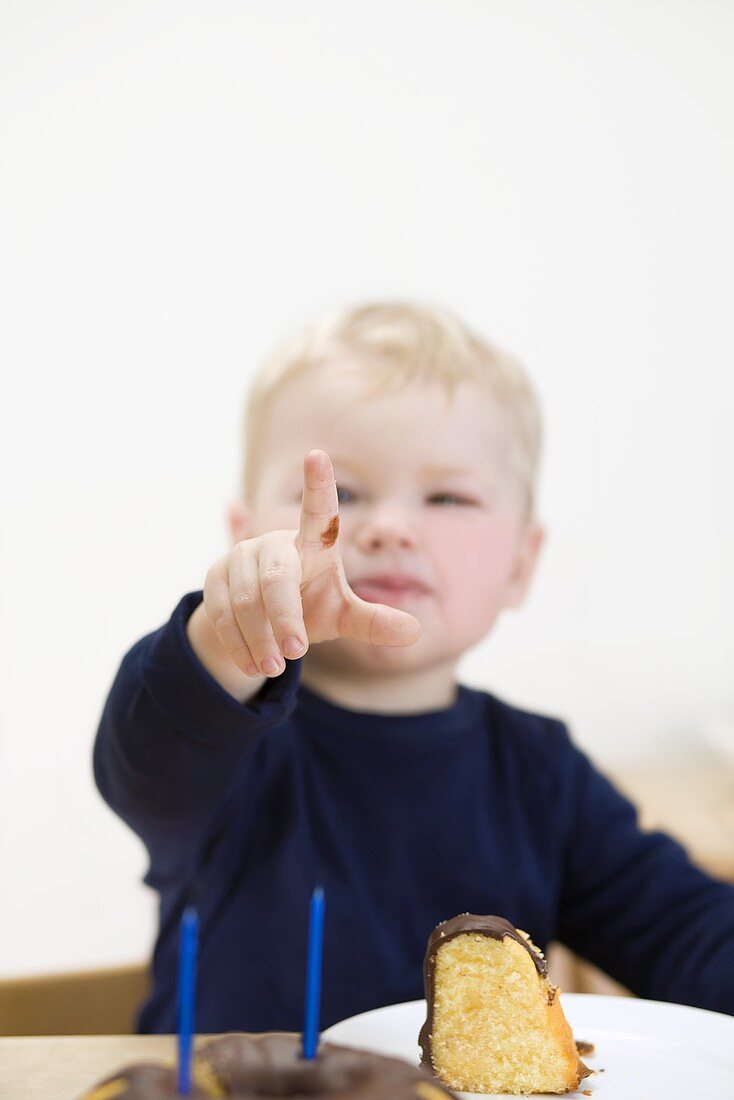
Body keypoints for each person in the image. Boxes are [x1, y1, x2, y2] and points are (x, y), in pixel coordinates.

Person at [94, 302, 734, 1034]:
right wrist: (225, 637)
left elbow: (683, 931)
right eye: (343, 494)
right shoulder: (232, 749)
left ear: (521, 564)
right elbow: (148, 758)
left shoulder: (540, 772)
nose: (390, 526)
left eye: (448, 497)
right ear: (246, 539)